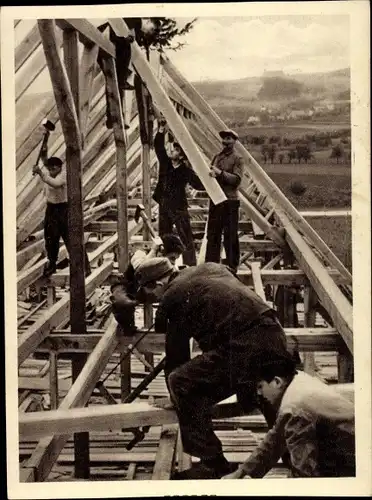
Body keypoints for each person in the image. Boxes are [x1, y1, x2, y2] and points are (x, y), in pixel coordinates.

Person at [129, 259, 295, 479]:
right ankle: (296, 458)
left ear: (158, 284)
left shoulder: (173, 295)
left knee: (180, 381)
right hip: (274, 335)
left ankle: (212, 464)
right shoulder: (210, 267)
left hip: (245, 347)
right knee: (271, 399)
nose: (155, 298)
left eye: (151, 293)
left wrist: (176, 397)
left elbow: (177, 354)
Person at [222, 353, 355, 479]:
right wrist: (242, 472)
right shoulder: (298, 378)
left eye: (260, 386)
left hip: (354, 459)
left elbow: (304, 473)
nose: (259, 393)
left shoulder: (295, 409)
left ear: (277, 382)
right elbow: (275, 439)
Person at [153, 118, 205, 266]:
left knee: (185, 235)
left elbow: (198, 184)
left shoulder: (186, 171)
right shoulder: (166, 163)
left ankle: (190, 265)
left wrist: (209, 177)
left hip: (179, 206)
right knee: (164, 235)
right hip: (164, 205)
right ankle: (165, 263)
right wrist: (161, 129)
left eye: (176, 150)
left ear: (181, 156)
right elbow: (158, 147)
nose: (172, 151)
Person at [110, 233, 185, 335]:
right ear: (161, 252)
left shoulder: (168, 266)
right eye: (172, 258)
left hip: (145, 291)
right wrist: (154, 250)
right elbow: (140, 268)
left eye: (175, 259)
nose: (173, 263)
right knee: (122, 303)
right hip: (127, 287)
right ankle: (128, 330)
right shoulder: (140, 253)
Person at [33, 155, 91, 278]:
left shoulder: (64, 175)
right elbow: (48, 175)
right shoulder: (50, 174)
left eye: (53, 168)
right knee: (51, 238)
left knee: (72, 238)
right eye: (49, 168)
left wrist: (40, 173)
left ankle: (84, 267)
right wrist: (44, 154)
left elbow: (56, 184)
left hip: (64, 209)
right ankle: (52, 264)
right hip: (51, 210)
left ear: (59, 167)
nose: (51, 170)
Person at [97, 18, 155, 129]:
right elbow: (120, 35)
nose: (148, 32)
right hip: (103, 42)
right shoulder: (135, 20)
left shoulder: (136, 27)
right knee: (116, 84)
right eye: (150, 29)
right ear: (148, 21)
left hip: (108, 47)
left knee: (115, 85)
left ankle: (113, 118)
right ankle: (113, 118)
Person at [205, 129, 243, 272]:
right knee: (213, 234)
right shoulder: (216, 157)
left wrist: (220, 173)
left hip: (230, 202)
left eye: (229, 138)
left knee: (230, 235)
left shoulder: (238, 159)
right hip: (216, 200)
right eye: (224, 139)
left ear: (234, 141)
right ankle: (210, 266)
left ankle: (232, 267)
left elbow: (237, 180)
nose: (226, 141)